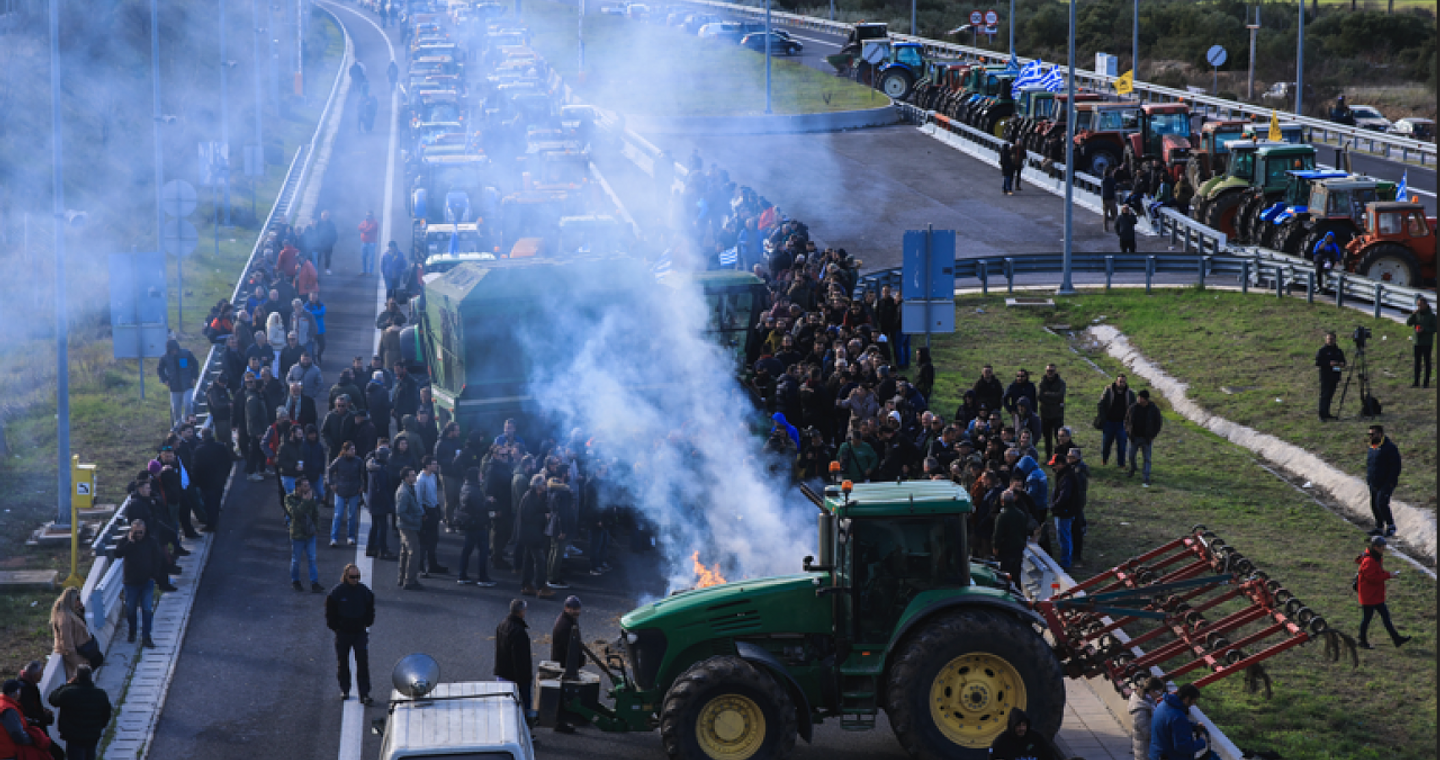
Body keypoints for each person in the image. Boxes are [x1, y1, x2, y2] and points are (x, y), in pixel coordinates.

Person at [110, 519, 166, 647]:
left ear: (145, 530)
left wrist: (154, 576)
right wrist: (130, 542)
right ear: (131, 531)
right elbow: (118, 554)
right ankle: (132, 631)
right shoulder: (126, 541)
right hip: (130, 582)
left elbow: (157, 558)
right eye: (136, 532)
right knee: (130, 609)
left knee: (147, 609)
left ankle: (146, 636)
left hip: (147, 581)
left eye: (141, 532)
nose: (139, 535)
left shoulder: (151, 541)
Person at [327, 564, 376, 704]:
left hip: (359, 632)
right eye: (352, 577)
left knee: (362, 663)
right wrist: (335, 627)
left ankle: (364, 693)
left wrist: (367, 622)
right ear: (345, 576)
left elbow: (370, 608)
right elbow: (330, 612)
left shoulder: (364, 592)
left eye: (357, 577)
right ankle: (345, 689)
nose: (355, 580)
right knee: (342, 662)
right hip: (343, 633)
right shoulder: (337, 592)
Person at [1355, 535, 1411, 649]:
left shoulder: (1376, 557)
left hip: (1375, 595)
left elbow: (1378, 572)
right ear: (1376, 547)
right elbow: (1373, 578)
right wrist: (1388, 575)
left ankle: (1397, 639)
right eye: (1382, 547)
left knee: (1385, 617)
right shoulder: (1369, 561)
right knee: (1367, 619)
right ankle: (1362, 641)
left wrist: (1388, 574)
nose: (1384, 549)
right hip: (1369, 596)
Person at [46, 664, 111, 760]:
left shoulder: (68, 693)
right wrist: (98, 727)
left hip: (73, 737)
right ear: (90, 677)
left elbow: (53, 699)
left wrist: (67, 685)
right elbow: (106, 714)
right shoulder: (100, 694)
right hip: (92, 736)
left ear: (76, 677)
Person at [494, 599, 536, 722]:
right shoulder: (519, 632)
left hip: (502, 673)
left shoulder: (502, 624)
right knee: (524, 708)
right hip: (516, 677)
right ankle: (527, 730)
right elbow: (520, 659)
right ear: (521, 611)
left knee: (504, 707)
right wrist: (524, 679)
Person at [456, 466, 496, 586]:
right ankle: (483, 577)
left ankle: (462, 575)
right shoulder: (474, 490)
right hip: (478, 524)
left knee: (467, 550)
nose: (481, 476)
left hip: (469, 523)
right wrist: (489, 501)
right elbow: (479, 508)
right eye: (480, 474)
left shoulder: (465, 487)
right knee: (483, 551)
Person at [549, 596, 583, 734]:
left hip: (564, 662)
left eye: (577, 609)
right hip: (563, 663)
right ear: (566, 608)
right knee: (563, 692)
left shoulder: (569, 620)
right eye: (573, 609)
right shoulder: (564, 625)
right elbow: (570, 648)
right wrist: (578, 661)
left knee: (565, 691)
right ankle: (559, 722)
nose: (576, 611)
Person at [284, 478, 324, 593]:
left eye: (308, 485)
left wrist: (316, 528)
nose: (308, 488)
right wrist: (305, 502)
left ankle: (314, 583)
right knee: (296, 560)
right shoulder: (289, 498)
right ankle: (295, 581)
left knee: (312, 559)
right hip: (297, 534)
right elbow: (295, 514)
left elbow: (315, 513)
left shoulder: (310, 497)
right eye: (305, 486)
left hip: (310, 534)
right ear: (298, 488)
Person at [1149, 684, 1208, 760]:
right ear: (1187, 698)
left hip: (1157, 754)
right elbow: (1183, 747)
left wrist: (1193, 726)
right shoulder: (1178, 717)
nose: (1193, 703)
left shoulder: (1163, 704)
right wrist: (1202, 742)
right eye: (1194, 700)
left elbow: (1170, 726)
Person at [515, 474, 551, 597]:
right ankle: (541, 586)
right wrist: (544, 517)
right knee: (540, 560)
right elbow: (528, 517)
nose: (546, 485)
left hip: (531, 533)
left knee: (528, 560)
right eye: (544, 483)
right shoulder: (530, 498)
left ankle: (526, 584)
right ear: (538, 485)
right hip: (531, 534)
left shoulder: (537, 496)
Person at [49, 587, 93, 682]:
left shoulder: (71, 613)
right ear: (72, 600)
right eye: (78, 599)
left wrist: (81, 611)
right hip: (76, 660)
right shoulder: (64, 620)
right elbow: (67, 645)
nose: (79, 601)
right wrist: (80, 665)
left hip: (82, 654)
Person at [1365, 425, 1401, 537]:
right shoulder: (1372, 448)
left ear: (1380, 434)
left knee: (1382, 503)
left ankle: (1391, 526)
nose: (1370, 437)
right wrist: (1369, 479)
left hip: (1386, 483)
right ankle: (1379, 527)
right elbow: (1370, 464)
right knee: (1374, 504)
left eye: (1373, 434)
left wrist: (1390, 481)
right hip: (1373, 482)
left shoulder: (1389, 448)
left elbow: (1396, 466)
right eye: (1369, 434)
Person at [327, 441, 365, 547]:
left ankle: (351, 536)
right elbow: (330, 470)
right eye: (351, 449)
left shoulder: (358, 461)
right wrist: (331, 483)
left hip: (353, 490)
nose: (354, 451)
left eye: (354, 449)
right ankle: (334, 538)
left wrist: (362, 485)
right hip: (340, 491)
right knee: (338, 515)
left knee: (352, 515)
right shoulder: (339, 461)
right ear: (345, 451)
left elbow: (364, 474)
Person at [416, 456, 448, 576]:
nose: (436, 466)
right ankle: (420, 567)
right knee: (424, 542)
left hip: (434, 509)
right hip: (426, 511)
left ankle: (432, 564)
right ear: (427, 466)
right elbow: (418, 499)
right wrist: (422, 514)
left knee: (433, 540)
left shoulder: (433, 476)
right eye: (434, 464)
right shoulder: (421, 479)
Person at [157, 339, 200, 426]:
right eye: (172, 350)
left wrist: (194, 377)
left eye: (175, 349)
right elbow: (159, 369)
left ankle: (188, 422)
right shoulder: (164, 358)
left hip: (187, 385)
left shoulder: (186, 353)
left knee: (188, 403)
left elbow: (195, 364)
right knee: (176, 408)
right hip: (174, 387)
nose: (174, 352)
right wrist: (165, 379)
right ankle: (179, 424)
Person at [1125, 390, 1164, 486]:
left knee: (1147, 458)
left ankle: (1146, 477)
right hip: (1134, 437)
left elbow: (1158, 423)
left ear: (1145, 399)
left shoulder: (1153, 409)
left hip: (1146, 438)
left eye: (1140, 397)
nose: (1138, 399)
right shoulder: (1133, 408)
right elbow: (1126, 420)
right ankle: (1133, 468)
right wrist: (1128, 433)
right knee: (1131, 456)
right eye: (1138, 397)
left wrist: (1152, 436)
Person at [395, 467, 425, 590]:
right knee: (414, 552)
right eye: (412, 475)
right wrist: (414, 521)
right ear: (406, 478)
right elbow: (401, 512)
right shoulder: (404, 492)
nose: (414, 477)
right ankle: (409, 580)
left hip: (407, 525)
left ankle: (402, 578)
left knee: (405, 552)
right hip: (408, 527)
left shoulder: (409, 489)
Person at [988, 708, 1057, 760]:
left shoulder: (1037, 738)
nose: (1022, 728)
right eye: (1018, 725)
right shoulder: (1001, 743)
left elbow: (1049, 756)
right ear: (1012, 726)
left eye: (1024, 725)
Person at [992, 491, 1030, 582]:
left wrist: (995, 547)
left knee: (1005, 575)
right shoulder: (1021, 514)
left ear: (1002, 501)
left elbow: (997, 534)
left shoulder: (1001, 516)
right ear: (1013, 500)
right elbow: (1024, 531)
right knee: (1016, 575)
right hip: (1018, 549)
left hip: (1006, 550)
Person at [1097, 374, 1135, 466]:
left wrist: (1130, 420)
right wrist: (1103, 418)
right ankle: (1104, 460)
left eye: (1124, 382)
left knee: (1122, 445)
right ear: (1116, 381)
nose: (1122, 384)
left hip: (1122, 423)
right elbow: (1100, 404)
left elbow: (1134, 407)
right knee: (1106, 444)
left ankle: (1121, 464)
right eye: (1120, 381)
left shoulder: (1129, 393)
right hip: (1109, 422)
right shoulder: (1108, 391)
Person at [0, 679, 43, 757]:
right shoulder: (9, 709)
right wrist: (34, 739)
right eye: (19, 690)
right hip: (8, 752)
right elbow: (18, 735)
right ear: (14, 693)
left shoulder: (3, 704)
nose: (20, 692)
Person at [1128, 677, 1166, 760]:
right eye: (1159, 693)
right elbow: (1147, 732)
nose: (1159, 696)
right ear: (1152, 691)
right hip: (1145, 751)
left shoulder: (1149, 701)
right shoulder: (1140, 708)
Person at [1315, 331, 1346, 422]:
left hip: (1335, 376)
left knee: (1330, 396)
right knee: (1324, 395)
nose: (1330, 341)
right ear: (1326, 340)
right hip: (1326, 376)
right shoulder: (1322, 351)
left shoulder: (1338, 351)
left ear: (1335, 340)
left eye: (1332, 339)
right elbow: (1318, 362)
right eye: (1329, 339)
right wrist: (1329, 363)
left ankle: (1327, 413)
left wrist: (1341, 364)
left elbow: (1344, 361)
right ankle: (1321, 415)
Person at [1406, 295, 1435, 388]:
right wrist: (1413, 314)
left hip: (1427, 342)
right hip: (1417, 341)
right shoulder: (1416, 314)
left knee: (1427, 362)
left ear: (1426, 305)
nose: (1419, 307)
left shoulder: (1431, 316)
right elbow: (1408, 323)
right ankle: (1416, 381)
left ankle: (1426, 382)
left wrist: (1425, 329)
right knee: (1417, 362)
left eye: (1420, 305)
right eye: (1417, 305)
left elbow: (1435, 328)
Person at [1102, 167, 1118, 231]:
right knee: (1114, 213)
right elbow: (1115, 187)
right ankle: (1116, 227)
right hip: (1111, 198)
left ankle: (1105, 228)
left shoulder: (1103, 180)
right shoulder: (1111, 180)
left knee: (1105, 213)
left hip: (1104, 198)